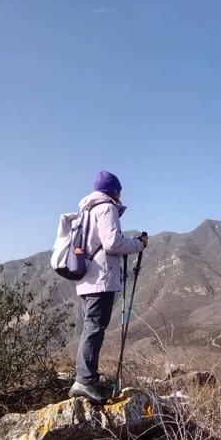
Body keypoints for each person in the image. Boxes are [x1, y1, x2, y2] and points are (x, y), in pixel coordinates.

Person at [68, 170, 148, 403]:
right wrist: (138, 244)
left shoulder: (87, 210)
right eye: (119, 190)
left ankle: (88, 377)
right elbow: (112, 243)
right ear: (114, 191)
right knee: (94, 328)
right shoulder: (106, 208)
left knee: (91, 327)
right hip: (100, 279)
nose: (121, 195)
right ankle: (84, 381)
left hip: (86, 278)